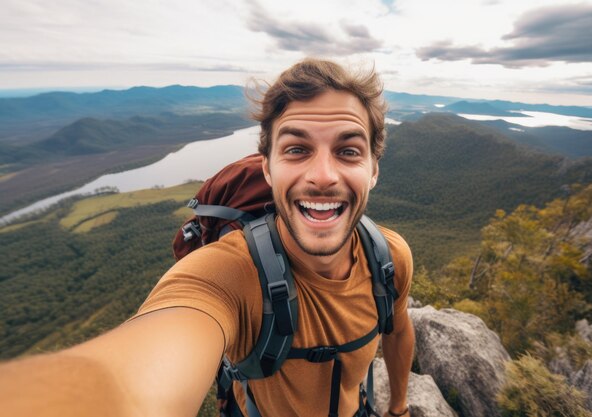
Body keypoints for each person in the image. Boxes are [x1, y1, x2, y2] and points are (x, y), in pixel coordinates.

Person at [0, 58, 414, 417]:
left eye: (348, 151)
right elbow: (135, 371)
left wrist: (399, 407)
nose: (323, 176)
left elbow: (397, 331)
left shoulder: (388, 258)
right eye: (296, 149)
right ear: (267, 168)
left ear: (373, 170)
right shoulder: (231, 272)